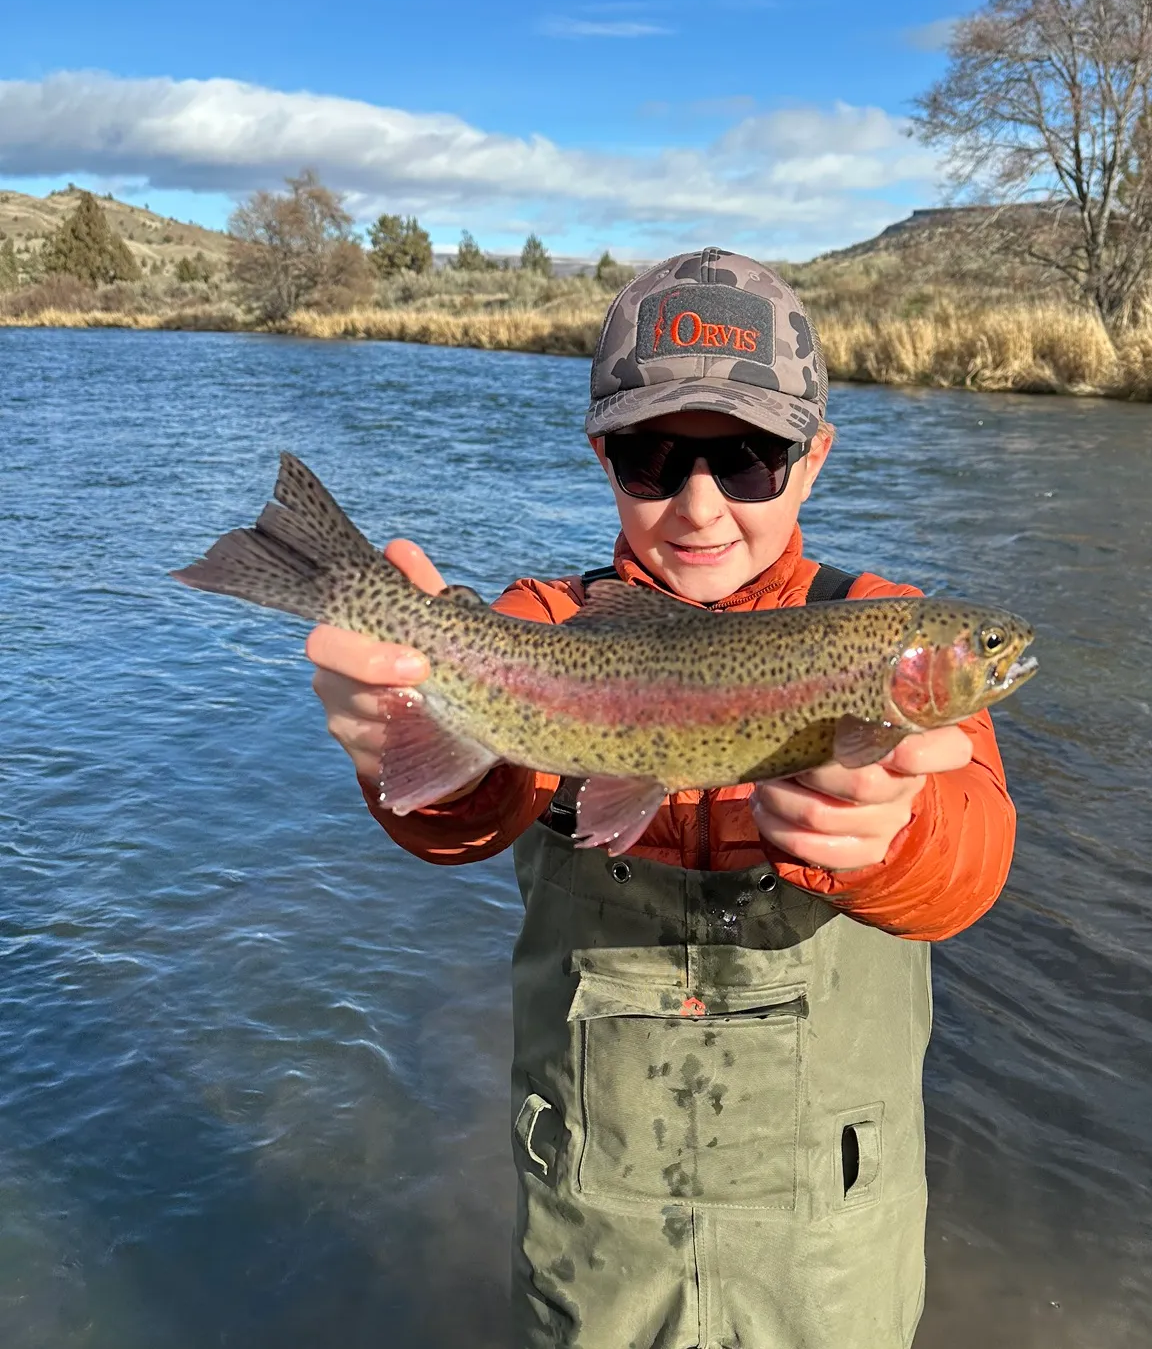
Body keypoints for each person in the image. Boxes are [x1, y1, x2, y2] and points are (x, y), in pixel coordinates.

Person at [306, 248, 1017, 1349]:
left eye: (748, 458)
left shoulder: (888, 621)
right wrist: (393, 735)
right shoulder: (545, 622)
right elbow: (462, 817)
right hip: (595, 1235)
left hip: (830, 1245)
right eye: (652, 457)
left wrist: (895, 835)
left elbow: (972, 853)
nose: (699, 507)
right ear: (603, 457)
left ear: (813, 459)